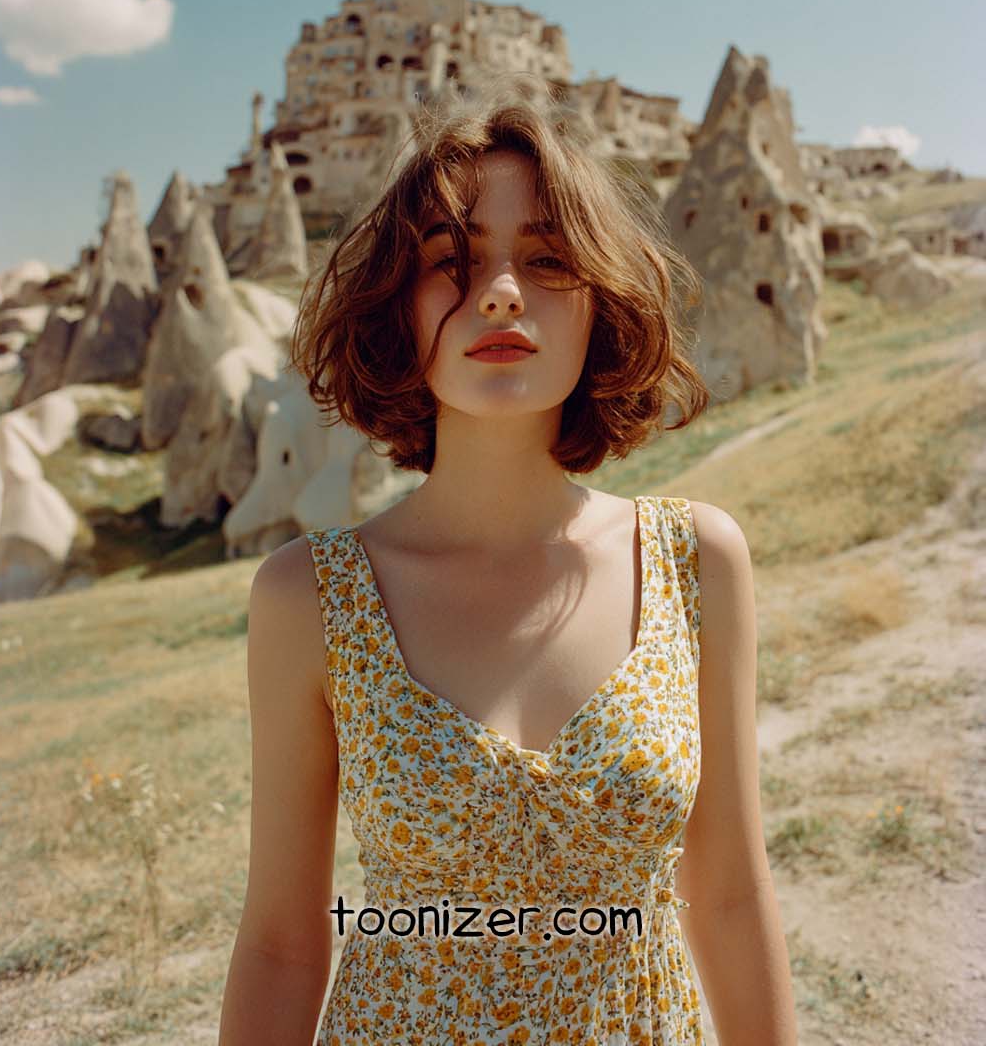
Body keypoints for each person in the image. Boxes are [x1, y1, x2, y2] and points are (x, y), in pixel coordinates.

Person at [218, 72, 799, 1044]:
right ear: (396, 305)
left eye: (545, 258)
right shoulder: (308, 597)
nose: (498, 291)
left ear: (601, 300)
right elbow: (281, 943)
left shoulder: (696, 560)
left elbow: (733, 895)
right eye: (450, 259)